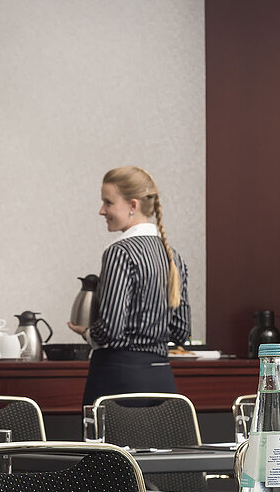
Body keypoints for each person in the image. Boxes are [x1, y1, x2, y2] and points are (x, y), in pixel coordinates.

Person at [68, 165, 191, 406]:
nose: (102, 211)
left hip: (118, 381)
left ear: (133, 205)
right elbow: (181, 331)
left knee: (107, 446)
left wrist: (88, 333)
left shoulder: (119, 252)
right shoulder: (173, 256)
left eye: (108, 202)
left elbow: (111, 330)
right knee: (162, 446)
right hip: (163, 382)